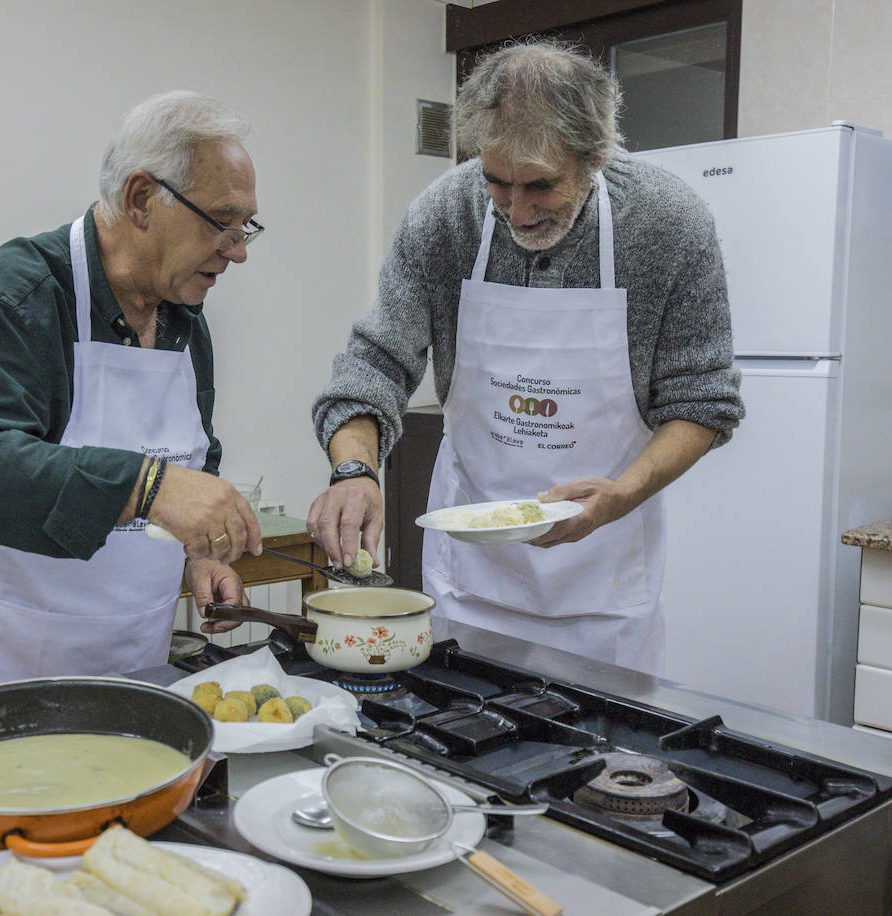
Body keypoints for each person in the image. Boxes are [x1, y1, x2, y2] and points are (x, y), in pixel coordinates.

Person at [308, 41, 743, 674]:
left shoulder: (668, 224)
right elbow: (375, 363)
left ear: (594, 157)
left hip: (604, 592)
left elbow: (703, 401)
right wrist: (354, 472)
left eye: (541, 185)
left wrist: (623, 494)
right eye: (496, 182)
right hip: (470, 587)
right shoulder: (446, 215)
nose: (515, 211)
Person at [0, 90, 265, 688]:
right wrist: (147, 486)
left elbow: (192, 453)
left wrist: (200, 552)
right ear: (141, 198)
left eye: (245, 225)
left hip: (126, 648)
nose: (239, 250)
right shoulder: (15, 297)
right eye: (221, 223)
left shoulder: (181, 316)